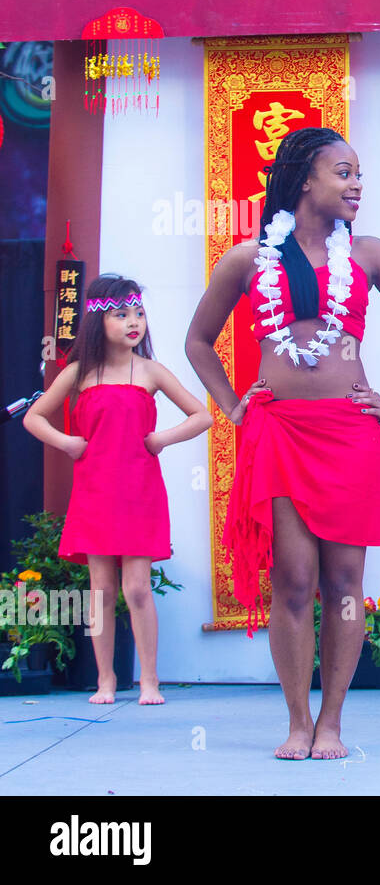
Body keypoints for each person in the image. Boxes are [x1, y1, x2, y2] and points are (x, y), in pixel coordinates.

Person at [186, 127, 380, 760]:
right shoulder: (248, 260)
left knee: (346, 582)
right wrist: (231, 404)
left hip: (349, 433)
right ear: (306, 180)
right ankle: (297, 721)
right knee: (294, 581)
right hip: (278, 433)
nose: (358, 184)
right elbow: (198, 340)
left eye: (360, 174)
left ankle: (333, 722)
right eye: (344, 173)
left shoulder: (370, 255)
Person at [24, 275, 212, 705]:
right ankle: (106, 680)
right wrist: (67, 442)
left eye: (139, 314)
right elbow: (35, 418)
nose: (134, 323)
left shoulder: (150, 371)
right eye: (122, 315)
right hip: (94, 492)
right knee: (101, 591)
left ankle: (149, 681)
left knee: (138, 588)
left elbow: (201, 416)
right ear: (97, 321)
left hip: (139, 490)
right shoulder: (78, 373)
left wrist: (162, 438)